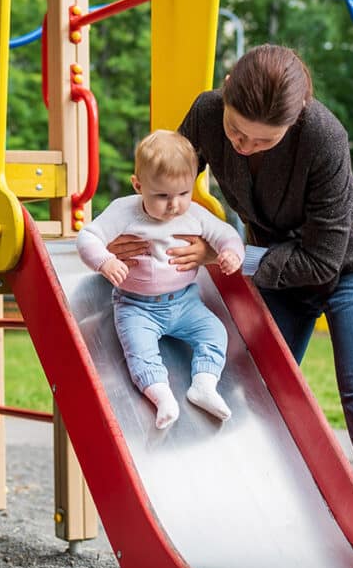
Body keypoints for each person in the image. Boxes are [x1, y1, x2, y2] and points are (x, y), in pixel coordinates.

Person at [107, 44, 353, 558]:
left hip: (350, 269)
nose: (245, 146)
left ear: (295, 119)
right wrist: (128, 230)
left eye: (264, 140)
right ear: (228, 88)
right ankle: (246, 542)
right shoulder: (208, 112)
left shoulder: (324, 137)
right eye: (237, 133)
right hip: (277, 270)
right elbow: (165, 180)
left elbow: (323, 262)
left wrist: (226, 255)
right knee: (243, 399)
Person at [77, 129, 244, 429]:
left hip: (185, 303)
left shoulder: (193, 213)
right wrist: (105, 260)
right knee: (140, 352)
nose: (174, 204)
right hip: (136, 307)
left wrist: (231, 253)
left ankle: (204, 385)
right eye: (162, 196)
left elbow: (226, 234)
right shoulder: (123, 211)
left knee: (215, 333)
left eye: (183, 193)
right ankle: (162, 396)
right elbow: (88, 237)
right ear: (138, 185)